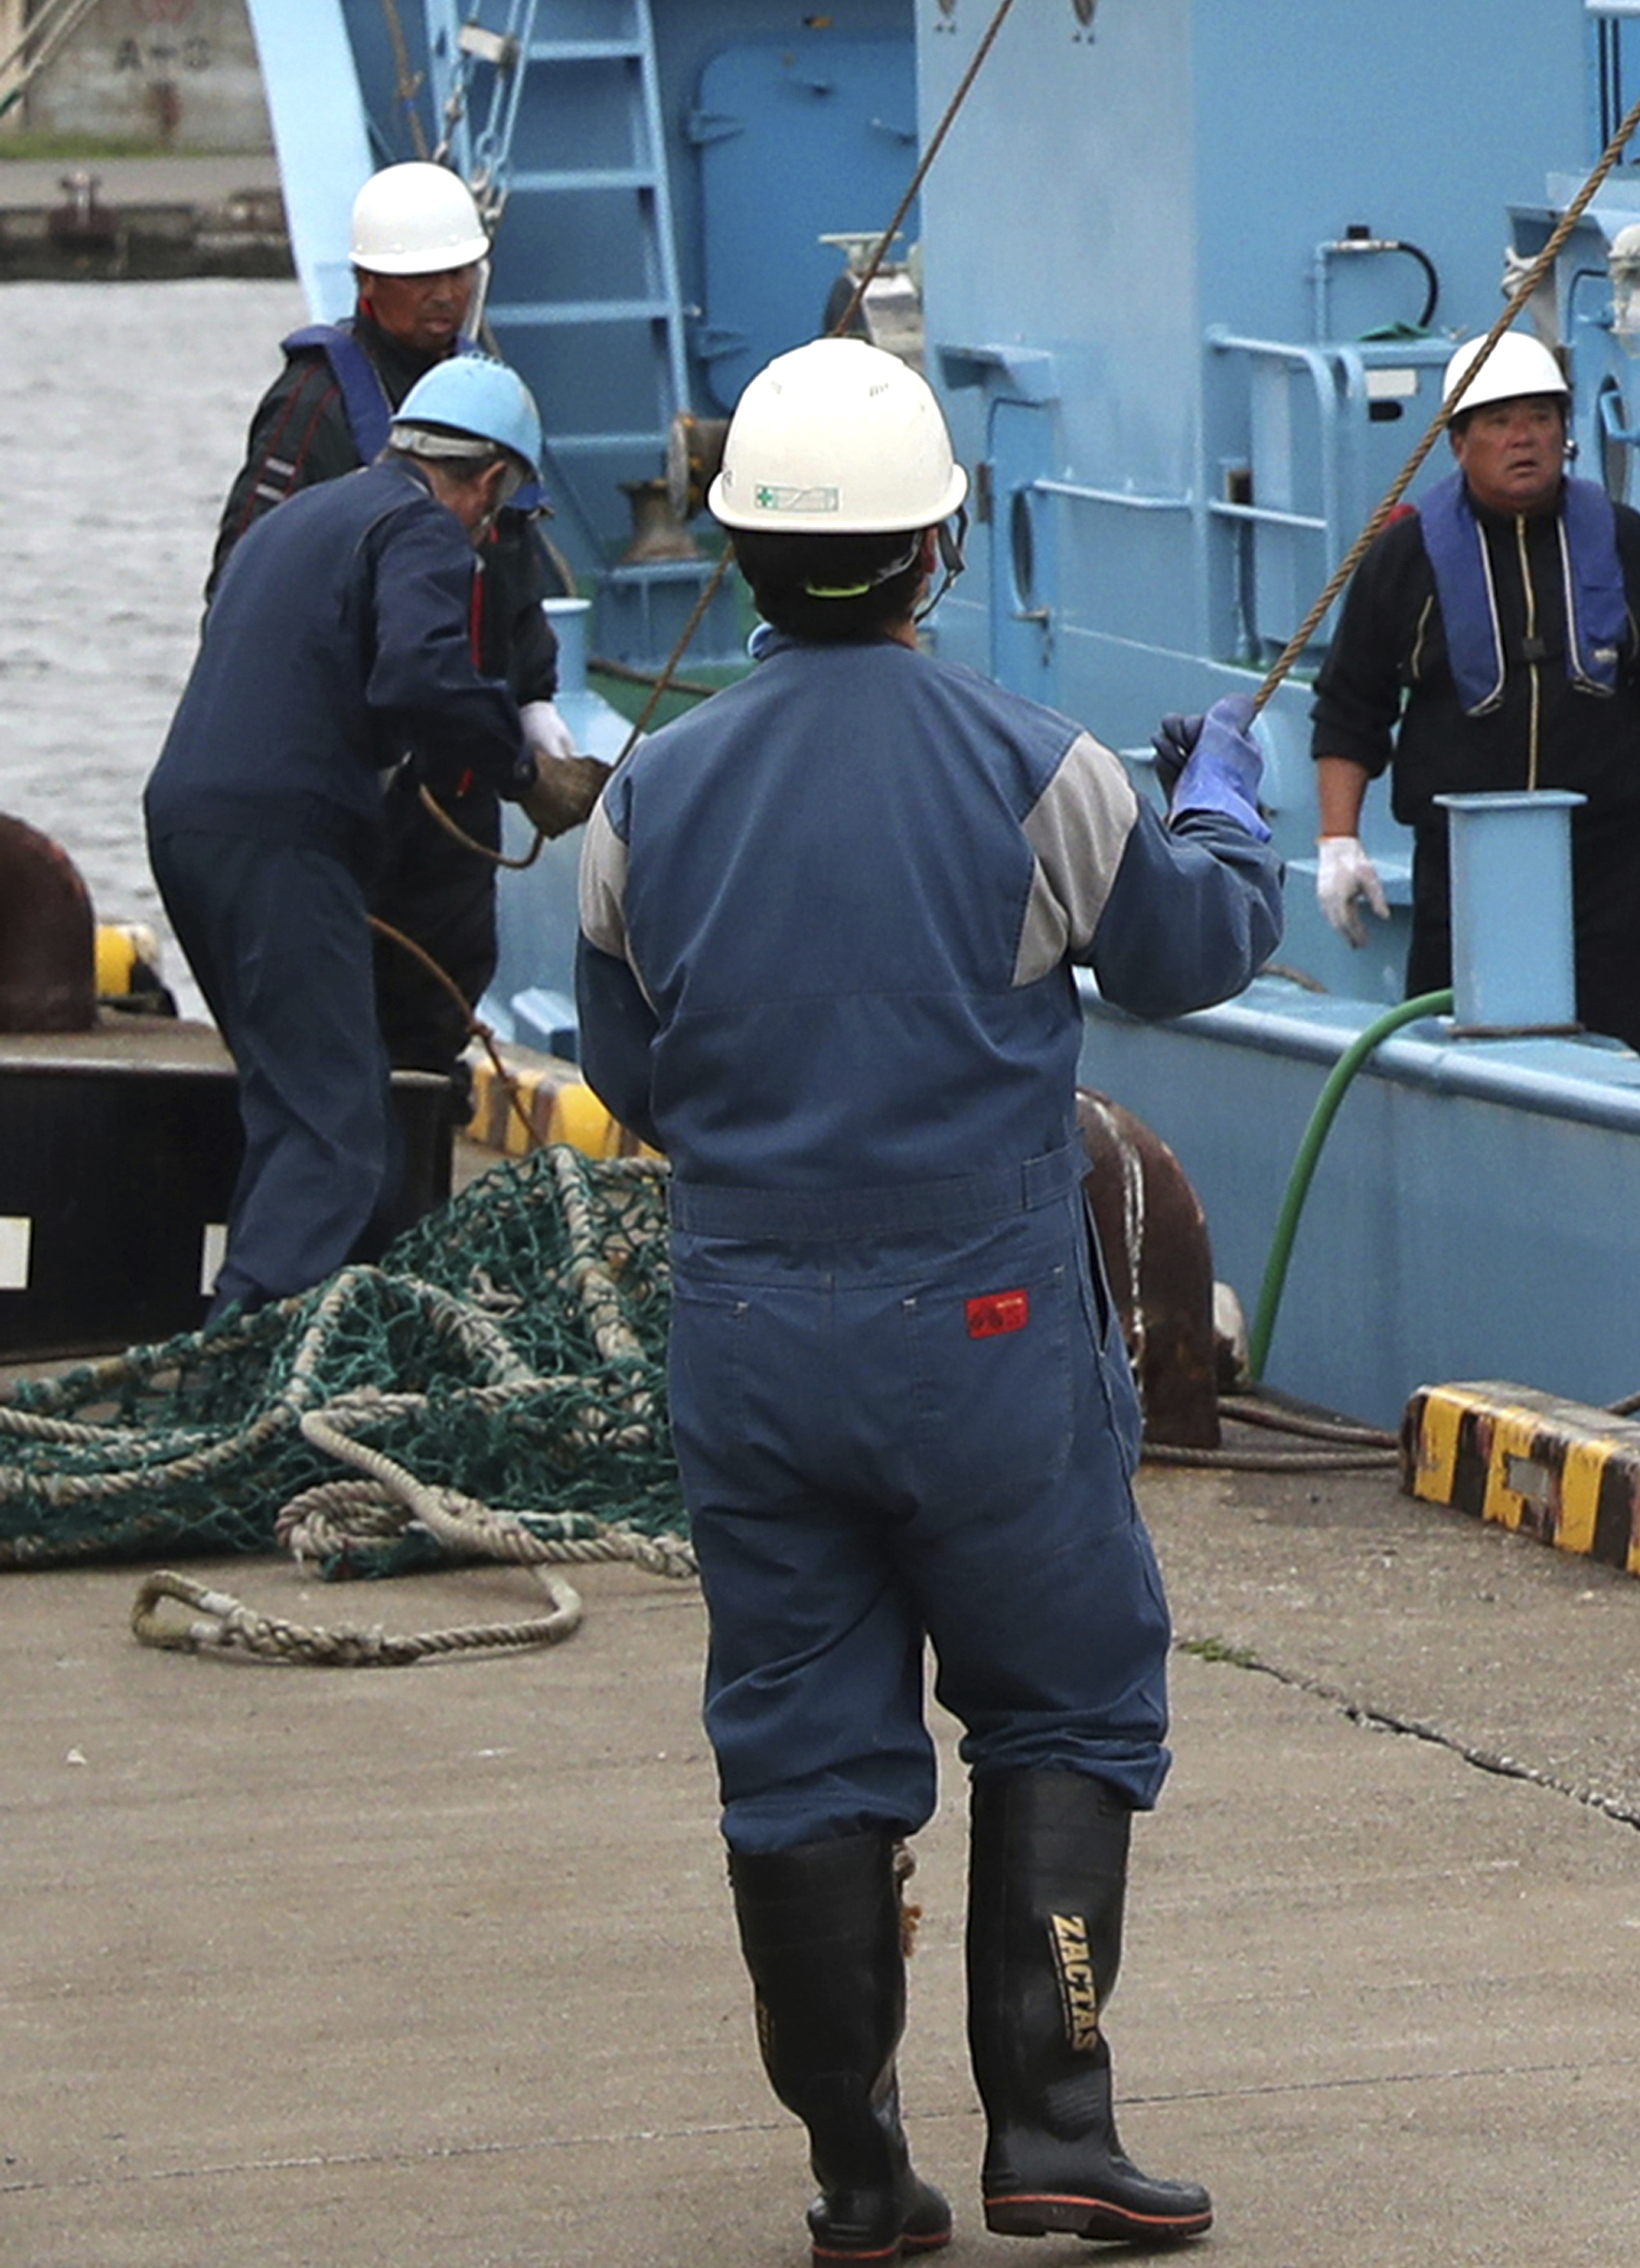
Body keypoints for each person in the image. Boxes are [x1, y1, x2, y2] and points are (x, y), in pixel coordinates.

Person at [573, 336, 1281, 2255]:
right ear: (932, 551)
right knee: (1059, 1694)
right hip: (983, 1337)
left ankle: (856, 2173)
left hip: (748, 1331)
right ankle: (1054, 2120)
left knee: (800, 1736)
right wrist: (1223, 797)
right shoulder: (1033, 764)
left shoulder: (649, 793)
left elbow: (632, 1072)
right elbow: (1197, 944)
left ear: (737, 559)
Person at [146, 357, 590, 1309]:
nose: (488, 530)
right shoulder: (423, 526)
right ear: (486, 482)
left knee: (289, 1098)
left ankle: (266, 1334)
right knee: (337, 1126)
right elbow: (418, 678)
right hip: (283, 841)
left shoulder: (308, 516)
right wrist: (524, 775)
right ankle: (253, 1363)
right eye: (498, 509)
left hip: (187, 828)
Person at [211, 158, 577, 1117]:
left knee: (437, 1003)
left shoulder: (483, 400)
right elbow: (244, 585)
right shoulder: (316, 405)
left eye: (460, 274)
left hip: (458, 783)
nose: (447, 295)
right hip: (351, 782)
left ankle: (407, 1224)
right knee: (335, 1017)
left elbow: (512, 570)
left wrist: (534, 709)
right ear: (370, 283)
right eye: (424, 278)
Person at [1307, 328, 1640, 1054]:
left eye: (1541, 418)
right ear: (1458, 441)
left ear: (1567, 433)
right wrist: (1338, 840)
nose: (1524, 439)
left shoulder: (1626, 542)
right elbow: (1351, 707)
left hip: (1611, 867)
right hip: (1465, 874)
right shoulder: (1403, 560)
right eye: (1501, 422)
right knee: (1458, 1060)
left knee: (1634, 1054)